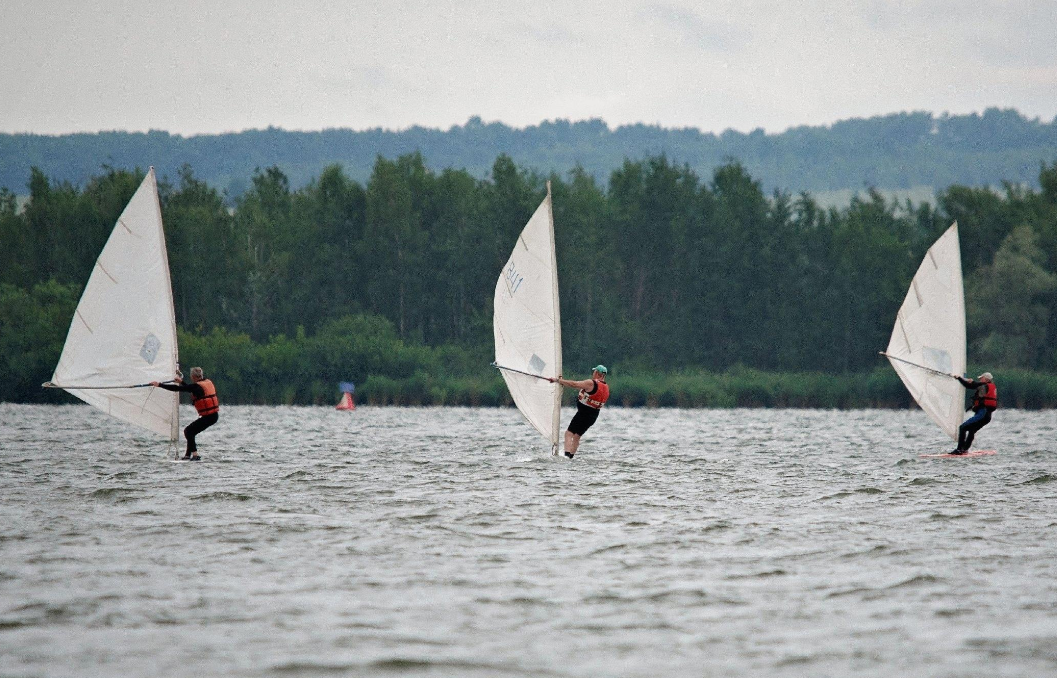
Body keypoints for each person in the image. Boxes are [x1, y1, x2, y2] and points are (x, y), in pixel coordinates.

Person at [151, 367, 219, 461]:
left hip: (209, 417)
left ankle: (195, 455)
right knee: (191, 432)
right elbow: (190, 389)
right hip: (213, 416)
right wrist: (181, 382)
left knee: (188, 431)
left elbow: (176, 388)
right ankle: (187, 455)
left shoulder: (197, 386)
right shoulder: (207, 382)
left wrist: (159, 385)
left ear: (193, 376)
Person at [548, 365, 610, 459]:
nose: (593, 373)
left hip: (584, 413)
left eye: (594, 372)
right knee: (577, 436)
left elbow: (574, 384)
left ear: (597, 373)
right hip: (593, 416)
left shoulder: (591, 383)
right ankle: (571, 457)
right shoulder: (605, 386)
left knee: (569, 434)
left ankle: (566, 457)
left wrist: (558, 380)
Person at [951, 371, 997, 454]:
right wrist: (971, 382)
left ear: (986, 379)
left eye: (981, 378)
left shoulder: (984, 386)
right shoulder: (988, 386)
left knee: (963, 427)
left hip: (982, 414)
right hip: (987, 416)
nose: (979, 380)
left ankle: (959, 449)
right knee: (971, 430)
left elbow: (969, 385)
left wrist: (959, 378)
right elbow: (975, 385)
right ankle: (964, 449)